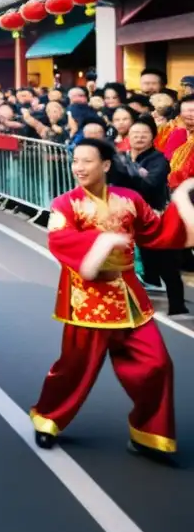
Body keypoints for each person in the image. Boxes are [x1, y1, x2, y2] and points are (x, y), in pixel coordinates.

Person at [31, 137, 194, 460]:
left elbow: (157, 232)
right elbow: (61, 241)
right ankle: (48, 418)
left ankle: (150, 434)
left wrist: (182, 201)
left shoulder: (130, 199)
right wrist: (102, 243)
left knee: (157, 365)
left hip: (130, 301)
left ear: (105, 165)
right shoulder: (65, 204)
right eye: (75, 160)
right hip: (87, 302)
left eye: (86, 161)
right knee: (73, 369)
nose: (78, 167)